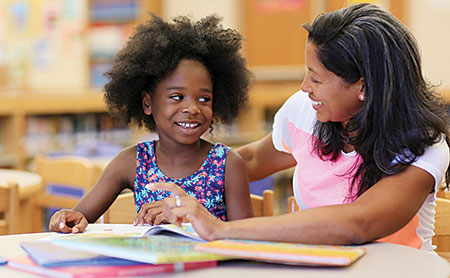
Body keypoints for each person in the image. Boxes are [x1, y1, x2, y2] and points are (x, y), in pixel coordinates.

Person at [155, 3, 450, 251]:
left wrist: (218, 229)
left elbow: (360, 222)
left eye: (316, 78)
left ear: (363, 86)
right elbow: (252, 160)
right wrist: (174, 188)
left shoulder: (423, 142)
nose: (304, 87)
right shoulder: (305, 110)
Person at [48, 14, 254, 233]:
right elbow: (81, 217)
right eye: (177, 97)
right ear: (148, 103)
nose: (193, 108)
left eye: (204, 99)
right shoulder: (132, 162)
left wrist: (191, 220)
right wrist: (69, 218)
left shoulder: (228, 164)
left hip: (214, 267)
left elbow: (246, 238)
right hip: (151, 266)